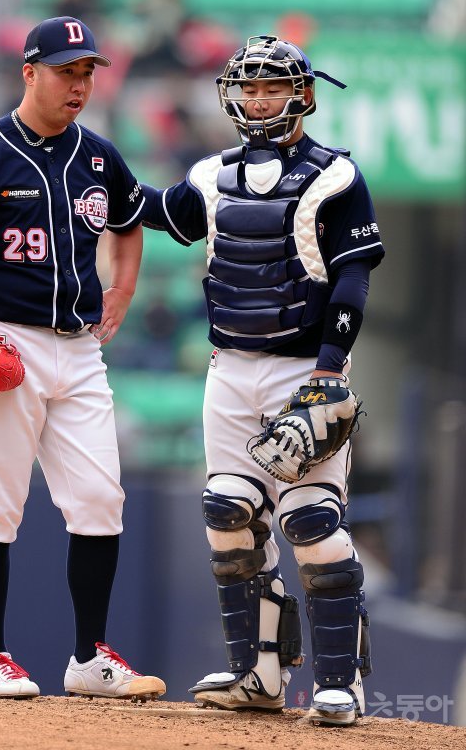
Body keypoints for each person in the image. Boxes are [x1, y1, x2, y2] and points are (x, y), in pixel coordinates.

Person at [140, 35, 384, 726]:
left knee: (311, 520)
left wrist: (330, 373)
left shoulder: (336, 175)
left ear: (303, 95)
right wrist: (100, 180)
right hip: (229, 370)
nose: (258, 98)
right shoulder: (210, 173)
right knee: (227, 514)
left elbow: (353, 275)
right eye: (248, 86)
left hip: (302, 368)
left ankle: (341, 684)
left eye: (273, 86)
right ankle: (259, 674)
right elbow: (162, 212)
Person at [0, 15, 166, 701]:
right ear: (29, 72)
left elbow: (128, 224)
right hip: (1, 339)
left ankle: (89, 658)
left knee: (99, 500)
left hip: (79, 348)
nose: (80, 83)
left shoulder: (99, 156)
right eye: (67, 70)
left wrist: (122, 288)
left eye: (88, 71)